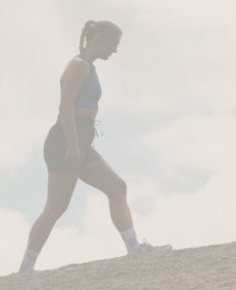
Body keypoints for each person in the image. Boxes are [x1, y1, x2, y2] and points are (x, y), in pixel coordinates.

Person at [21, 20, 167, 273]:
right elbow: (65, 106)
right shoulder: (78, 66)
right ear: (98, 39)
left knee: (117, 188)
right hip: (67, 140)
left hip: (81, 141)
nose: (115, 50)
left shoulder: (89, 67)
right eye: (113, 43)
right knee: (56, 207)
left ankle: (133, 249)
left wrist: (80, 145)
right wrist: (74, 145)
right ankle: (26, 267)